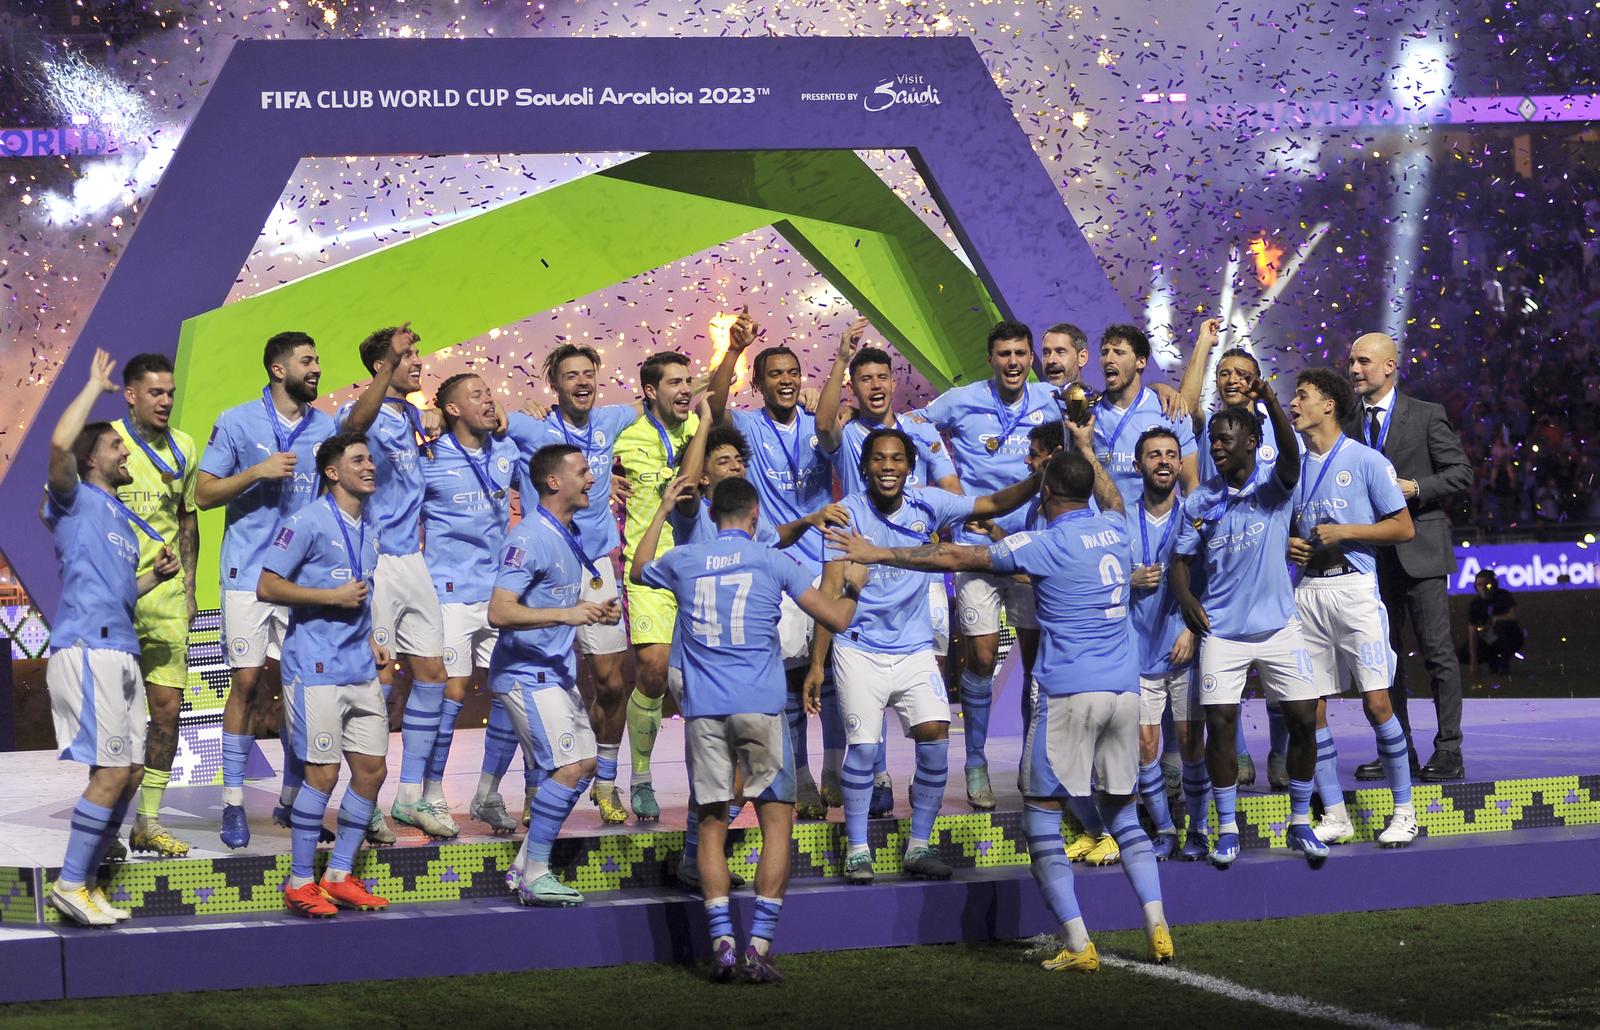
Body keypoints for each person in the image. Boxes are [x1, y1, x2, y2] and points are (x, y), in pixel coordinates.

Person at [827, 420, 1174, 971]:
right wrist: (1084, 449)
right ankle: (1157, 922)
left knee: (1040, 819)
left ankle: (1080, 944)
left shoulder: (1043, 543)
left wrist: (877, 553)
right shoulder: (1117, 527)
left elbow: (954, 559)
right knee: (1123, 816)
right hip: (1123, 693)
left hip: (1068, 695)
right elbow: (1106, 493)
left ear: (1050, 493)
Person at [632, 475, 863, 983]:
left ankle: (722, 944)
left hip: (704, 712)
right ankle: (759, 944)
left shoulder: (685, 561)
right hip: (761, 707)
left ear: (713, 517)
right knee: (776, 824)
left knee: (712, 823)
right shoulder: (771, 560)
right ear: (755, 516)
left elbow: (637, 567)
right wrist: (853, 588)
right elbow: (837, 618)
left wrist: (664, 509)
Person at [817, 428, 1038, 885]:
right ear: (865, 467)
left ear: (909, 466)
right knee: (862, 750)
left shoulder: (928, 503)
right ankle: (858, 850)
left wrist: (1041, 477)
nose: (888, 467)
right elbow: (828, 591)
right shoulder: (846, 515)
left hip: (915, 648)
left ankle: (919, 845)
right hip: (858, 647)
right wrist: (816, 664)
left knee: (936, 738)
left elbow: (992, 505)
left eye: (897, 459)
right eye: (879, 459)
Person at [197, 331, 378, 850]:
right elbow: (204, 494)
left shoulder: (326, 429)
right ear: (279, 370)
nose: (317, 367)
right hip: (248, 575)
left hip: (305, 580)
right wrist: (256, 472)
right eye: (308, 361)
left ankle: (293, 797)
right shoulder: (236, 420)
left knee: (302, 684)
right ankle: (233, 804)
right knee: (248, 682)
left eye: (318, 358)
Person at [665, 404, 845, 888]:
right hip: (697, 668)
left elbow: (773, 540)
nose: (736, 468)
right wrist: (703, 427)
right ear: (701, 476)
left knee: (732, 773)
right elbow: (685, 485)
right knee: (730, 770)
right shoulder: (694, 515)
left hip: (733, 673)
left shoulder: (746, 522)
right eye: (723, 462)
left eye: (739, 462)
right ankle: (699, 859)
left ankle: (696, 855)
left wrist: (807, 520)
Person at [42, 349, 181, 926]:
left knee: (127, 773)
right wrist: (92, 389)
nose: (126, 452)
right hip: (88, 648)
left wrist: (157, 576)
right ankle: (71, 883)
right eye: (117, 447)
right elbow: (57, 447)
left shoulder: (119, 518)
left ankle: (91, 881)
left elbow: (121, 588)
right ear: (91, 459)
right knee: (110, 772)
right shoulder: (71, 499)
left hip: (120, 648)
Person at [1169, 375, 1328, 868]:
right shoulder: (1200, 501)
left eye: (1225, 438)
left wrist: (1271, 402)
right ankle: (1228, 827)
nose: (1215, 446)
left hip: (1280, 628)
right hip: (1221, 631)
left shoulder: (1273, 488)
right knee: (1220, 726)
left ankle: (1300, 821)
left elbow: (1292, 457)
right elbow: (1178, 559)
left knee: (1304, 721)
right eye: (1212, 439)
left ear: (1251, 442)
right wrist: (1184, 596)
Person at [813, 319, 961, 817]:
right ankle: (874, 775)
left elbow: (952, 488)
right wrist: (839, 358)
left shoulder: (920, 428)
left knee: (926, 669)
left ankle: (926, 794)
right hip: (864, 564)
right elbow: (821, 424)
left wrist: (938, 526)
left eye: (883, 377)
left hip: (918, 568)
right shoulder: (849, 434)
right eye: (865, 379)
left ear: (894, 381)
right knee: (864, 667)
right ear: (855, 387)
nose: (875, 386)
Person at [911, 319, 1059, 810]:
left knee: (1037, 665)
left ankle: (1027, 758)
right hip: (977, 548)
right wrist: (946, 478)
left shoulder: (1050, 400)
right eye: (1004, 354)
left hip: (1033, 549)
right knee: (979, 657)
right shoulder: (962, 398)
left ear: (1031, 358)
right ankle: (975, 760)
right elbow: (914, 423)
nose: (1013, 362)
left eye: (1021, 353)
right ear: (990, 359)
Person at [503, 344, 641, 825]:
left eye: (589, 373)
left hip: (596, 567)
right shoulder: (531, 425)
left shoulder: (611, 420)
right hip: (546, 569)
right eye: (570, 376)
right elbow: (480, 416)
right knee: (542, 677)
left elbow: (666, 399)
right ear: (554, 385)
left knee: (610, 681)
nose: (581, 382)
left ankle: (606, 781)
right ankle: (534, 784)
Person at [257, 432, 391, 918]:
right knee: (323, 772)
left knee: (372, 770)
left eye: (370, 458)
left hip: (359, 665)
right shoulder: (306, 522)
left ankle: (338, 875)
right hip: (314, 667)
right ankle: (298, 883)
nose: (370, 466)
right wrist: (330, 599)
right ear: (333, 472)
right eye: (358, 460)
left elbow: (362, 589)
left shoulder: (368, 525)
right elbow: (267, 584)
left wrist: (374, 636)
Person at [707, 311, 836, 818]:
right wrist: (734, 352)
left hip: (825, 563)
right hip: (775, 567)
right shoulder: (748, 427)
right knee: (789, 684)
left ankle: (836, 771)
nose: (786, 380)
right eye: (775, 374)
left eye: (792, 373)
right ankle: (799, 775)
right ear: (758, 384)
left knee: (833, 681)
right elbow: (714, 404)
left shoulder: (821, 424)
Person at [1287, 368, 1418, 849]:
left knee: (1376, 701)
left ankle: (1404, 810)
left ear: (1329, 405)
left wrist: (1345, 532)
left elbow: (1403, 528)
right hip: (1308, 594)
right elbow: (1287, 529)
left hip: (1356, 591)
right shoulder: (1293, 465)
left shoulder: (1366, 461)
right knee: (1310, 710)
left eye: (1302, 396)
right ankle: (1336, 814)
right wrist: (1291, 547)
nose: (1294, 404)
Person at [336, 323, 456, 841]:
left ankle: (410, 797)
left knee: (432, 673)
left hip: (414, 561)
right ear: (381, 364)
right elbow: (351, 432)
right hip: (375, 561)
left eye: (416, 355)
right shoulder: (355, 414)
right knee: (379, 682)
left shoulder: (410, 416)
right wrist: (388, 368)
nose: (417, 363)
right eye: (408, 357)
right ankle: (365, 802)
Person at [490, 445, 623, 906]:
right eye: (583, 472)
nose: (592, 479)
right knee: (568, 767)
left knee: (584, 764)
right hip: (526, 675)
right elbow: (499, 611)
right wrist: (567, 615)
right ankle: (537, 873)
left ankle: (523, 866)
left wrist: (591, 614)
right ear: (553, 482)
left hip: (554, 674)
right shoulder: (529, 538)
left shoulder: (568, 533)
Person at [1345, 332, 1473, 782]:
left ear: (1388, 367)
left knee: (1438, 654)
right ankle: (1398, 751)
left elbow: (1461, 473)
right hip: (1373, 558)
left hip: (1422, 552)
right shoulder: (1346, 421)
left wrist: (1416, 488)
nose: (1355, 370)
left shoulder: (1425, 415)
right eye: (1351, 362)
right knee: (1385, 660)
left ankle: (1449, 751)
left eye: (1363, 362)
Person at [1178, 318, 1292, 788]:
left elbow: (1293, 483)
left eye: (1240, 372)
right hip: (1218, 555)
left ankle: (1281, 754)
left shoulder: (1276, 433)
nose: (1230, 379)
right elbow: (1184, 407)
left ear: (1255, 381)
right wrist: (1204, 344)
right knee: (1228, 662)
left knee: (1278, 664)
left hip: (1269, 557)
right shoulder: (1209, 430)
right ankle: (1240, 752)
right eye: (1223, 373)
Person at [418, 373, 522, 833]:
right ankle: (431, 794)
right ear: (452, 409)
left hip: (498, 594)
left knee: (511, 691)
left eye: (490, 390)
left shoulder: (507, 450)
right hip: (448, 594)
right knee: (452, 693)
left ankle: (487, 792)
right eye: (476, 393)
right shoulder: (429, 456)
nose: (489, 397)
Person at [109, 353, 199, 858]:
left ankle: (148, 821)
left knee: (166, 712)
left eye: (169, 393)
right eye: (155, 393)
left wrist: (188, 592)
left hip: (165, 599)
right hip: (119, 600)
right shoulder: (108, 446)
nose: (165, 401)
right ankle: (106, 826)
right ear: (131, 394)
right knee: (118, 721)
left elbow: (187, 522)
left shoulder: (184, 446)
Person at [614, 351, 701, 821]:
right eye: (674, 383)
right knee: (653, 668)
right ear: (650, 391)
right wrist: (602, 477)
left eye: (689, 381)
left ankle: (704, 784)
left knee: (697, 686)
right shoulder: (624, 436)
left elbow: (720, 396)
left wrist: (731, 353)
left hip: (699, 568)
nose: (684, 389)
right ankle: (642, 776)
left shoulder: (697, 430)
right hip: (646, 570)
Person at [1128, 427, 1203, 862]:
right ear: (1138, 464)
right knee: (1144, 746)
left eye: (1171, 454)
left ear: (1179, 464)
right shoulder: (1120, 521)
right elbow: (1098, 583)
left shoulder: (1196, 515)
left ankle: (1199, 829)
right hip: (1137, 652)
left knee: (1192, 743)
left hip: (1185, 647)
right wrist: (1128, 579)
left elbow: (1213, 580)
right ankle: (1165, 829)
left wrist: (1192, 628)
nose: (1162, 461)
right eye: (1153, 454)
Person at [1460, 570, 1523, 675]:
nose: (1483, 588)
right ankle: (1492, 660)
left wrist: (1497, 619)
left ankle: (1503, 663)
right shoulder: (1475, 604)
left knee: (1502, 627)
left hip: (1508, 636)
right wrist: (1473, 661)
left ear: (1494, 585)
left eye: (1487, 584)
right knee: (1461, 653)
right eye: (1479, 585)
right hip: (1487, 639)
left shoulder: (1503, 597)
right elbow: (1472, 631)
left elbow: (1513, 616)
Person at [1038, 323, 1090, 389]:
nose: (1050, 360)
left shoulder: (1098, 399)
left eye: (1060, 352)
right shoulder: (1030, 398)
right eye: (1046, 353)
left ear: (1082, 357)